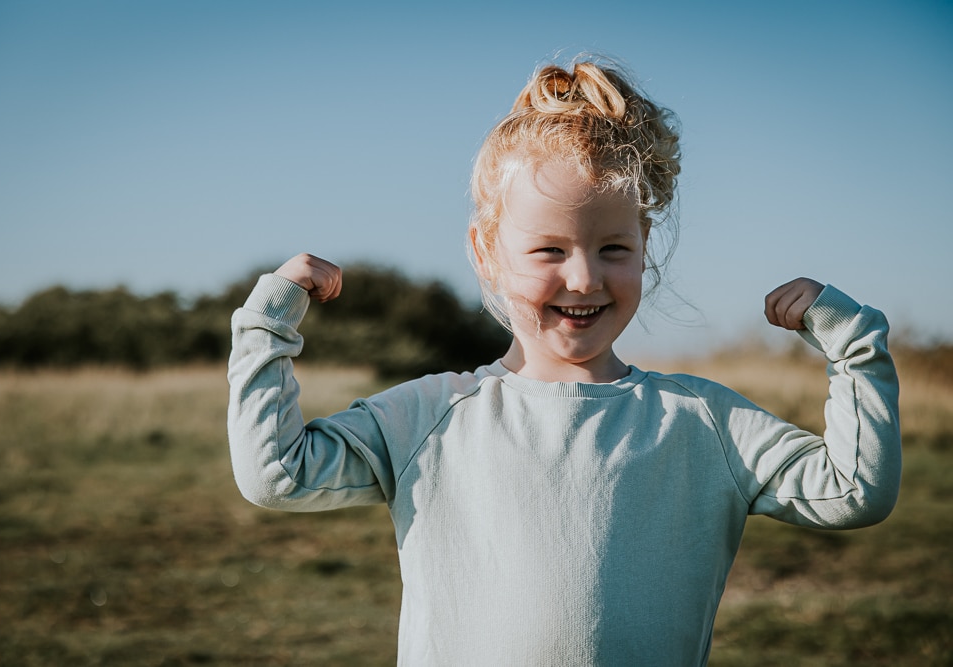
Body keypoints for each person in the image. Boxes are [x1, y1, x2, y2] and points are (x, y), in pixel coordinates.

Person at [227, 58, 901, 665]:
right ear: (487, 252)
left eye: (614, 247)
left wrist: (854, 344)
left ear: (645, 244)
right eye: (548, 250)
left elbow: (855, 490)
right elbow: (277, 473)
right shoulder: (429, 416)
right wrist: (267, 321)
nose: (584, 278)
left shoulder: (703, 422)